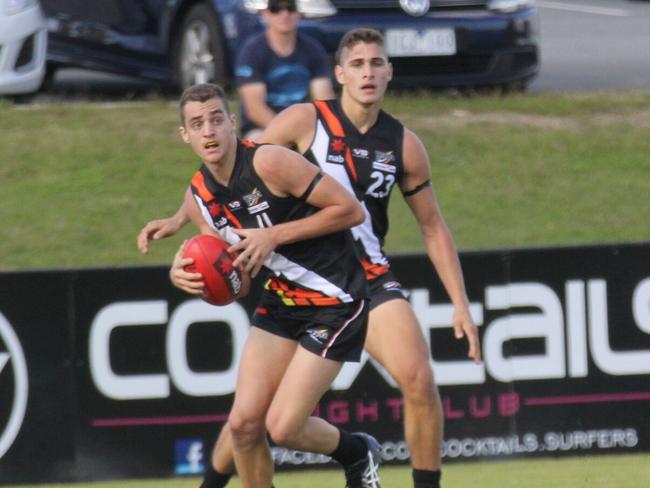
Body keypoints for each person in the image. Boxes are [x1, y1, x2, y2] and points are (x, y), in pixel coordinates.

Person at [137, 29, 481, 488]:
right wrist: (183, 221)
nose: (367, 73)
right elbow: (232, 172)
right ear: (338, 74)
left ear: (389, 72)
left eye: (376, 64)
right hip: (294, 279)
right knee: (249, 419)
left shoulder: (403, 144)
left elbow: (432, 226)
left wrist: (459, 302)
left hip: (361, 277)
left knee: (417, 380)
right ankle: (215, 482)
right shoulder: (304, 121)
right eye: (357, 64)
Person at [168, 82, 382, 488]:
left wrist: (274, 235)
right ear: (186, 136)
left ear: (232, 123)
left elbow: (350, 211)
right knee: (244, 426)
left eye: (216, 119)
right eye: (197, 124)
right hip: (283, 302)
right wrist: (190, 277)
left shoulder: (269, 162)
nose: (209, 131)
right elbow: (238, 284)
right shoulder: (199, 199)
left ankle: (358, 452)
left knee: (282, 427)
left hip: (337, 299)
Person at [234, 0, 334, 140]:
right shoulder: (252, 51)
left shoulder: (313, 49)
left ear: (299, 13)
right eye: (276, 9)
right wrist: (288, 133)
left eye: (290, 8)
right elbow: (255, 109)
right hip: (261, 128)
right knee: (258, 142)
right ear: (265, 14)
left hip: (302, 126)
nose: (284, 14)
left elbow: (325, 101)